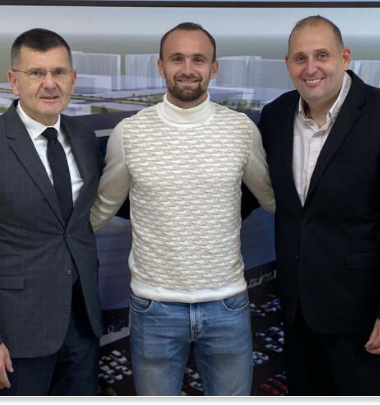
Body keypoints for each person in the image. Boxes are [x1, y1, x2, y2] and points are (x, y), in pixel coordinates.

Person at [90, 22, 275, 396]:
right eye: (177, 59)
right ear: (161, 66)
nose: (188, 69)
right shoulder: (130, 133)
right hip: (153, 308)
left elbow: (273, 200)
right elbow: (100, 211)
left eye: (198, 59)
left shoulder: (241, 130)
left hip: (227, 305)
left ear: (213, 68)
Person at [254, 15, 380, 395]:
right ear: (288, 64)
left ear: (345, 57)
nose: (311, 68)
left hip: (366, 321)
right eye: (300, 58)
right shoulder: (275, 117)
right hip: (300, 317)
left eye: (322, 55)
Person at [0, 28, 103, 395]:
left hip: (82, 327)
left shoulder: (83, 137)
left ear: (73, 79)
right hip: (14, 336)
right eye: (36, 73)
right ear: (14, 81)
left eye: (59, 72)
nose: (49, 83)